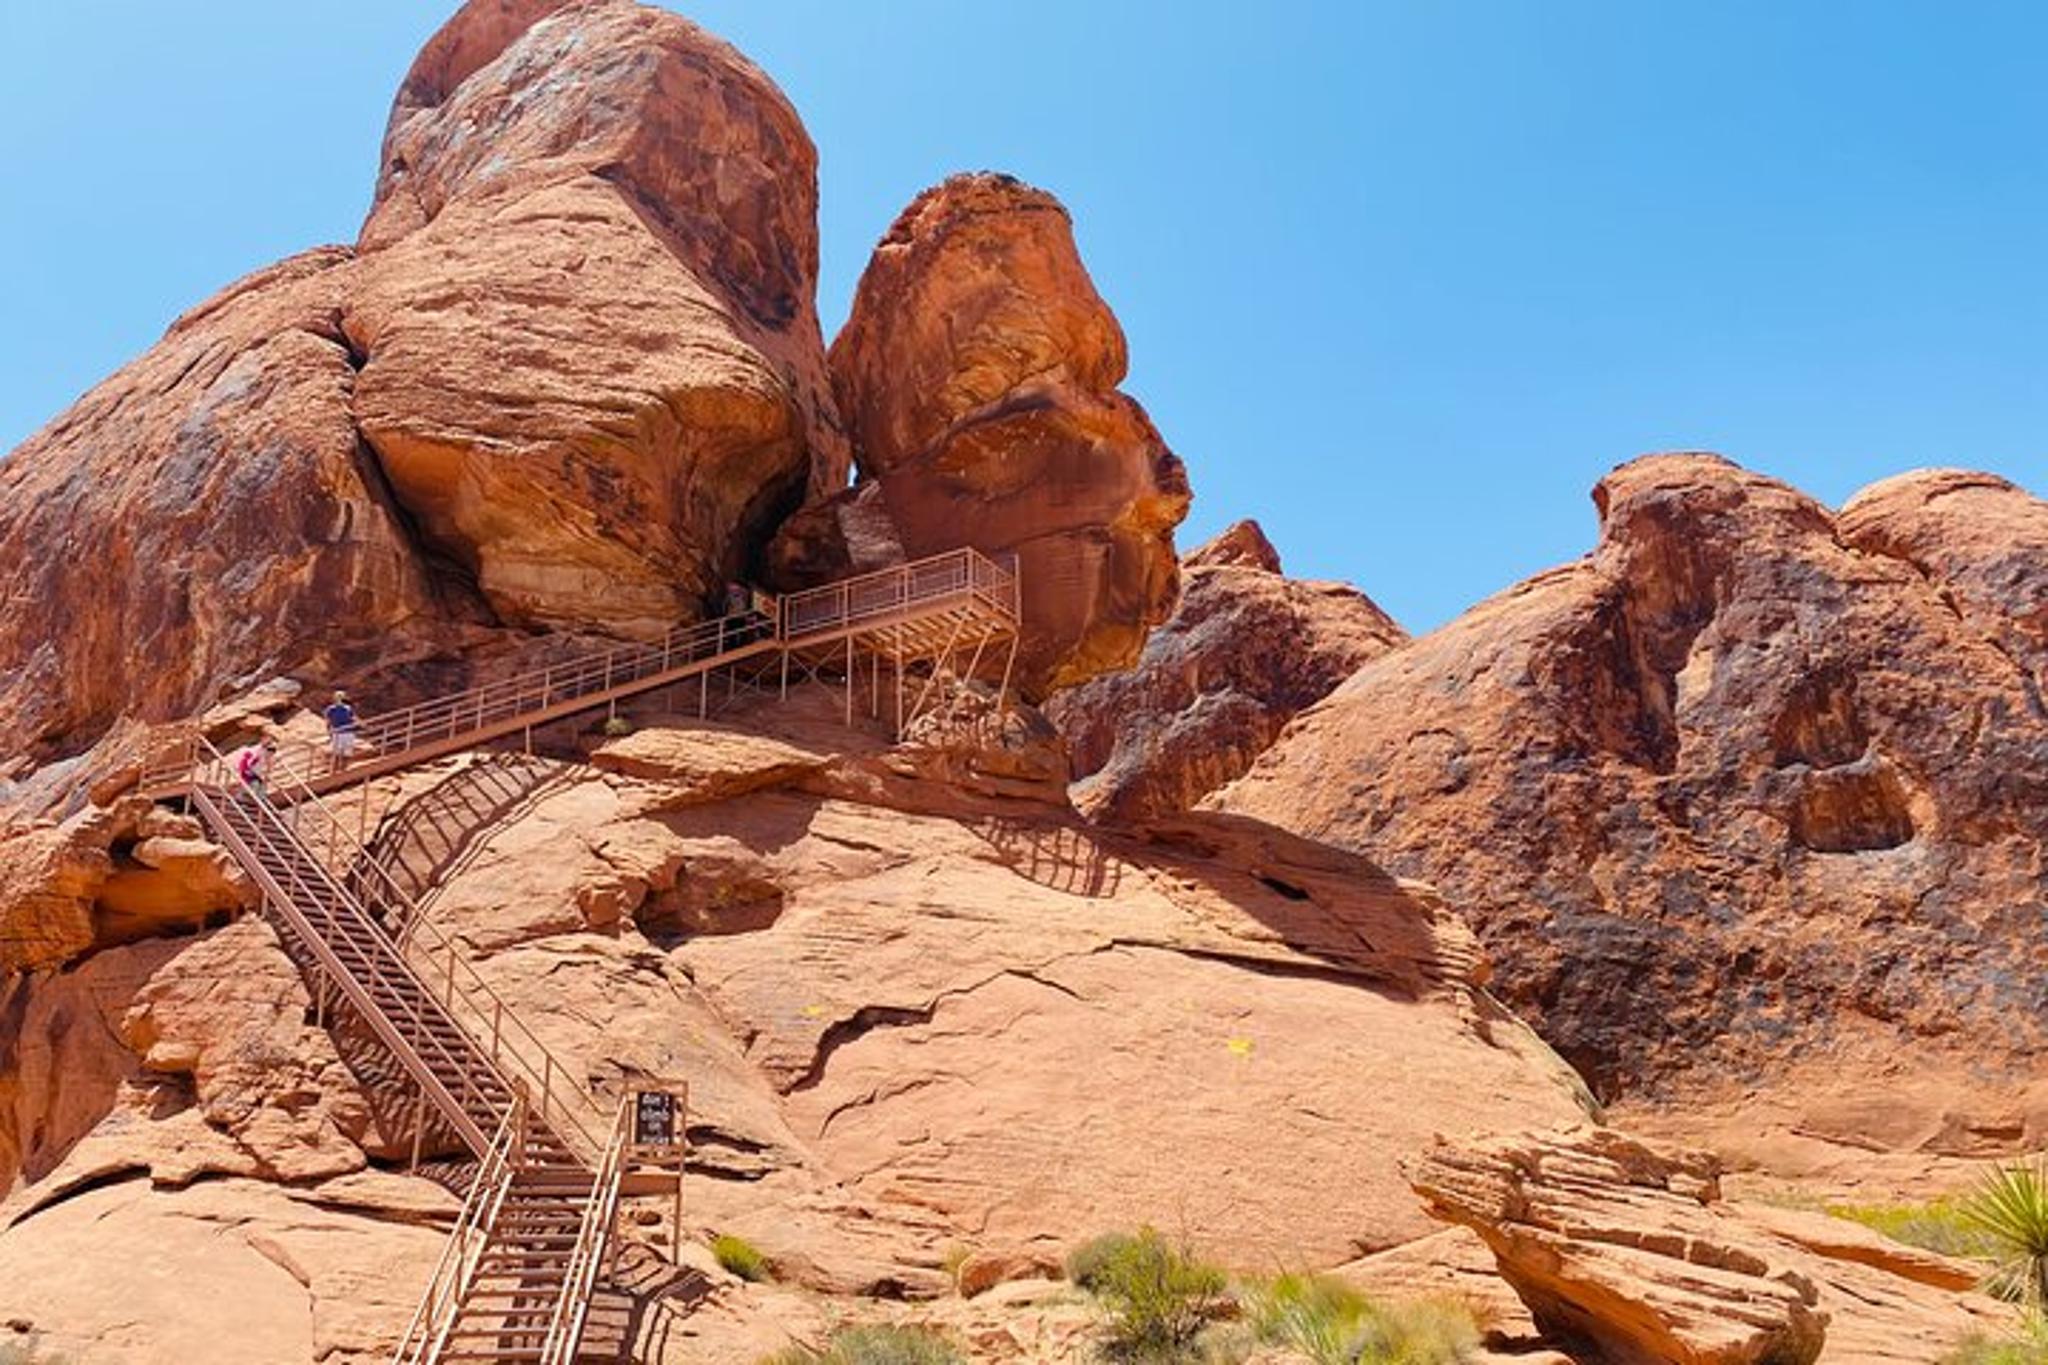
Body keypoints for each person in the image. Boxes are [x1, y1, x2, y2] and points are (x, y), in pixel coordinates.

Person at [324, 689, 359, 770]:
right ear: (334, 698)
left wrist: (364, 726)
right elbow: (328, 722)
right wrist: (329, 733)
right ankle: (333, 772)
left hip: (348, 732)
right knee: (336, 754)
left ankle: (343, 770)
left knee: (347, 754)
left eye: (341, 697)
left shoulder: (348, 708)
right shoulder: (331, 709)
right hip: (338, 733)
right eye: (337, 697)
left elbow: (354, 718)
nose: (339, 699)